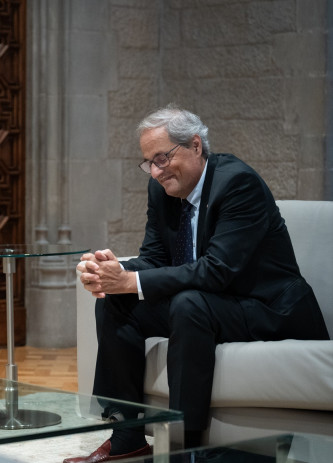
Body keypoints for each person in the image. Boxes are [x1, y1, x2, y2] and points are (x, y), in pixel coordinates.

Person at [65, 105, 329, 463]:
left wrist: (132, 279)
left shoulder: (238, 184)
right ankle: (126, 436)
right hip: (211, 307)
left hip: (269, 308)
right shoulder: (162, 191)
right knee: (115, 300)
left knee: (188, 303)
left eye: (162, 158)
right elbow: (155, 258)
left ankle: (187, 449)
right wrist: (111, 273)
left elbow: (217, 271)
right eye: (148, 162)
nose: (155, 171)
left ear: (195, 146)